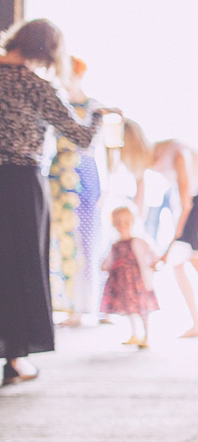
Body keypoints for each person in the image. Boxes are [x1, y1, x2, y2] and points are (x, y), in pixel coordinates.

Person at [0, 19, 108, 385]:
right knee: (19, 269)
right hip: (20, 184)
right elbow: (80, 138)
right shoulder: (37, 87)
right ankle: (15, 359)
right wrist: (98, 114)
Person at [116, 122, 198, 339]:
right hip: (195, 205)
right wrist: (132, 233)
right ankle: (197, 323)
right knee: (179, 263)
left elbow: (186, 202)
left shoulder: (177, 151)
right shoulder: (146, 161)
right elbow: (139, 201)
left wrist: (172, 242)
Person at [48, 56, 104, 327]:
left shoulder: (94, 108)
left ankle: (85, 306)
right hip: (58, 178)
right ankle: (65, 305)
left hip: (85, 178)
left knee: (86, 241)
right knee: (60, 240)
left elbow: (103, 149)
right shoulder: (56, 102)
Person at [99, 206, 159, 348]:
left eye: (126, 222)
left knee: (142, 308)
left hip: (138, 282)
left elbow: (154, 256)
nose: (122, 226)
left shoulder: (140, 241)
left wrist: (154, 265)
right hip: (123, 283)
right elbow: (106, 262)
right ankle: (135, 334)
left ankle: (146, 336)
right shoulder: (115, 245)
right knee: (129, 308)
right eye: (118, 223)